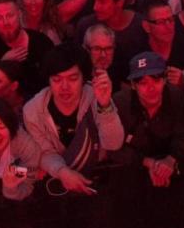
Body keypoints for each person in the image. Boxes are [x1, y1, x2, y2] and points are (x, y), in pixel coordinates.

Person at [22, 43, 124, 194]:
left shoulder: (97, 96)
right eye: (57, 80)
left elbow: (113, 144)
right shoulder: (33, 110)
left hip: (96, 178)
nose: (64, 87)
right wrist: (63, 172)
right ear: (48, 80)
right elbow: (44, 152)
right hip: (53, 182)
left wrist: (105, 105)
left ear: (84, 78)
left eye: (72, 78)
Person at [113, 52, 184, 187]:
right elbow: (112, 149)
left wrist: (171, 160)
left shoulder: (175, 97)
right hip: (130, 176)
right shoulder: (120, 104)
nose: (151, 88)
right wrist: (149, 163)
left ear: (164, 80)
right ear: (133, 85)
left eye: (156, 80)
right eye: (143, 83)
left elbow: (183, 135)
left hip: (170, 171)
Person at [0, 0, 54, 96]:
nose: (6, 23)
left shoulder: (41, 42)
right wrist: (2, 63)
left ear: (19, 13)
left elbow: (54, 80)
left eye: (10, 16)